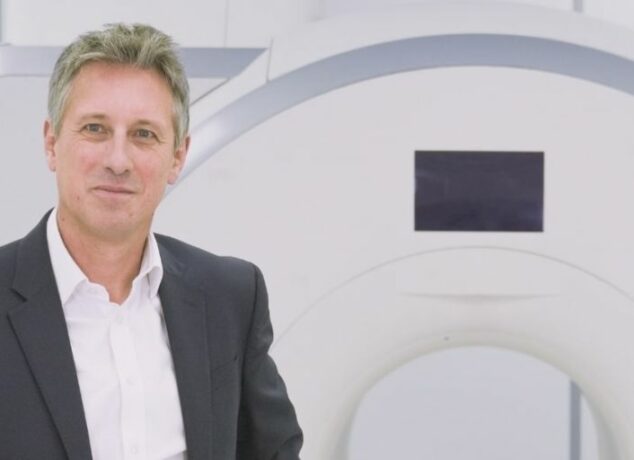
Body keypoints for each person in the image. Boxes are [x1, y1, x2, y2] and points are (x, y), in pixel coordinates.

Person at [0, 23, 302, 460]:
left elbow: (275, 452)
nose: (118, 160)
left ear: (177, 157)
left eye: (144, 134)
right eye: (95, 128)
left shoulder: (230, 298)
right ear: (51, 143)